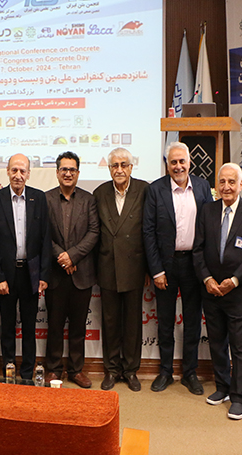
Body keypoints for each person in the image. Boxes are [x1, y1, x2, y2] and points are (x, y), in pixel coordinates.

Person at [193, 163, 242, 420]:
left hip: (237, 291)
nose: (226, 187)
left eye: (232, 182)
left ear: (241, 184)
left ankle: (239, 396)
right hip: (211, 290)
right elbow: (197, 250)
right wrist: (207, 279)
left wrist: (234, 280)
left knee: (239, 346)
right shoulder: (207, 211)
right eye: (222, 182)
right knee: (217, 342)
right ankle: (222, 387)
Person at [143, 142, 212, 395]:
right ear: (167, 164)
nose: (178, 166)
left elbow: (210, 226)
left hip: (195, 264)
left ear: (189, 162)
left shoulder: (203, 187)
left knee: (193, 321)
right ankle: (165, 371)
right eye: (173, 162)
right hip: (166, 265)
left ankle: (190, 372)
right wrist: (157, 271)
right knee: (165, 321)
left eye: (182, 161)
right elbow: (148, 232)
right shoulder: (155, 190)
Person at [0, 153, 51, 380]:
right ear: (7, 172)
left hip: (31, 274)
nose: (18, 175)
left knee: (30, 327)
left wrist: (44, 275)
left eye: (22, 171)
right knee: (7, 326)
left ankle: (27, 372)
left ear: (29, 174)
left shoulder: (39, 198)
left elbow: (45, 239)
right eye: (14, 170)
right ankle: (9, 369)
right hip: (6, 275)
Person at [93, 147, 149, 392]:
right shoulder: (99, 193)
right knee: (110, 322)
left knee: (132, 323)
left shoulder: (144, 190)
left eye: (123, 165)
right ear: (109, 169)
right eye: (114, 165)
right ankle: (112, 369)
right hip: (107, 266)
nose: (119, 170)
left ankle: (131, 370)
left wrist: (150, 269)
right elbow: (95, 233)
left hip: (135, 266)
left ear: (131, 167)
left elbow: (149, 231)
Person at [44, 151, 99, 388]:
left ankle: (76, 370)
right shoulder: (45, 199)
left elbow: (94, 232)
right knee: (54, 326)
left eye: (72, 170)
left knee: (78, 327)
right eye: (64, 169)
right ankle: (54, 369)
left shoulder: (89, 199)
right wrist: (62, 257)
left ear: (78, 173)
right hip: (55, 274)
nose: (68, 173)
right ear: (57, 172)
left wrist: (73, 256)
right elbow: (43, 234)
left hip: (81, 273)